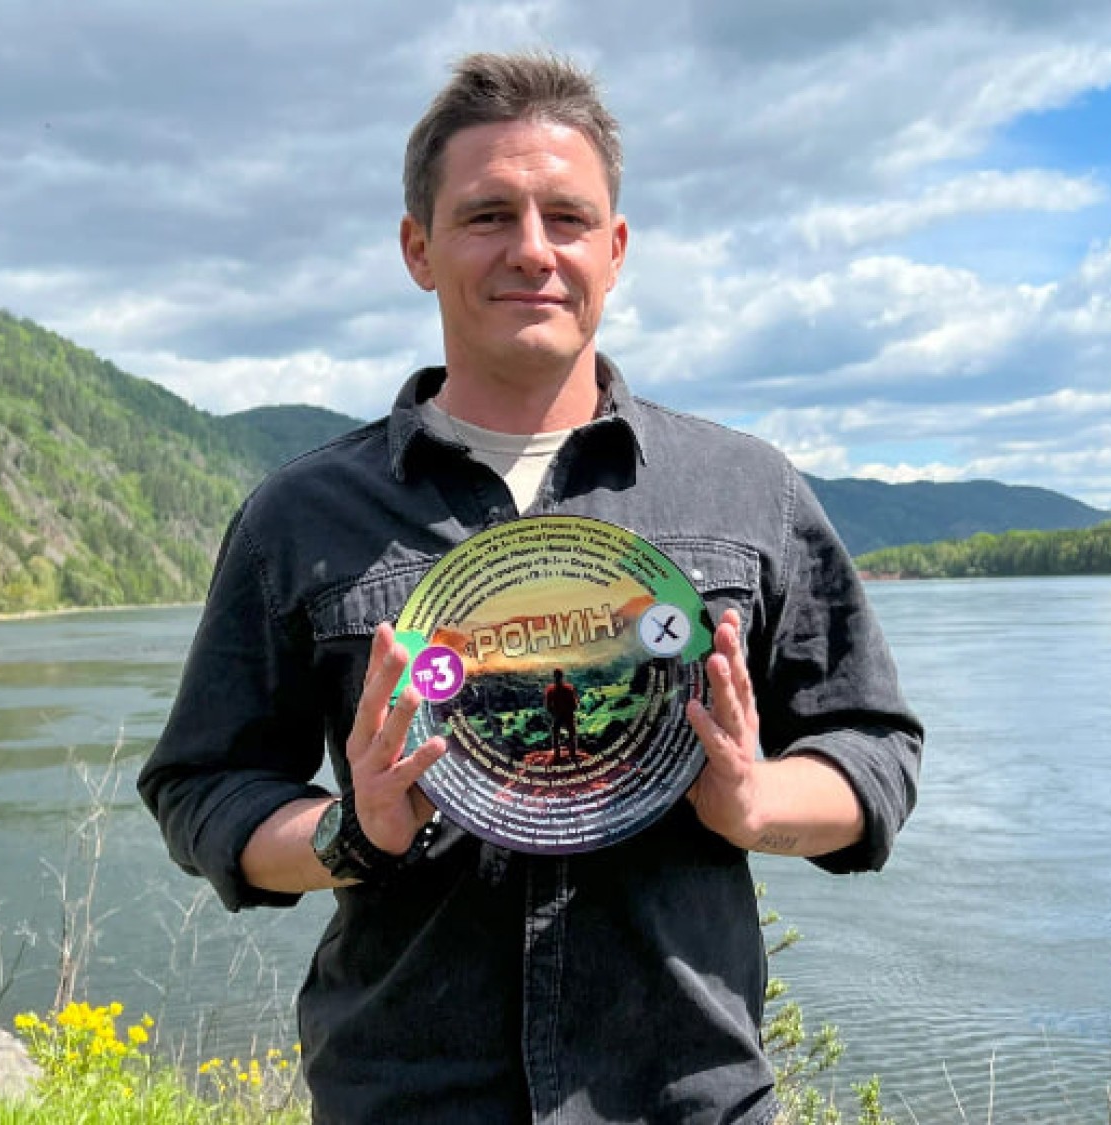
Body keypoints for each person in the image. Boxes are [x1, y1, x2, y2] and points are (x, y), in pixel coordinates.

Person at [138, 51, 922, 1125]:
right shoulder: (299, 518)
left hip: (686, 1103)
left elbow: (874, 752)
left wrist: (757, 806)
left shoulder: (749, 493)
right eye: (487, 215)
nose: (533, 250)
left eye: (567, 217)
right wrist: (352, 833)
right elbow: (203, 789)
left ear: (616, 248)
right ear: (418, 248)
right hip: (404, 1104)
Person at [543, 667, 579, 762]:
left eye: (556, 676)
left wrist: (554, 713)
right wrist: (569, 711)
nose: (557, 678)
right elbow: (574, 704)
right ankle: (571, 754)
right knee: (570, 734)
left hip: (560, 715)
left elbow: (548, 705)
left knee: (557, 734)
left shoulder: (551, 689)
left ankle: (559, 754)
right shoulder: (568, 688)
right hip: (566, 715)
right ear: (562, 677)